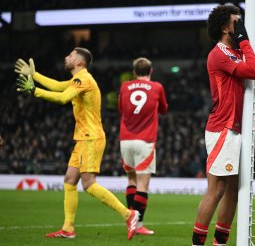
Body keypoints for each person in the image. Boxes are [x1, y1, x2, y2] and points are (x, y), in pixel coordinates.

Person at [14, 48, 139, 240]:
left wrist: (34, 90)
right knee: (70, 180)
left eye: (71, 55)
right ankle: (68, 228)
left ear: (79, 62)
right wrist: (34, 75)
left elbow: (63, 97)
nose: (66, 57)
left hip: (91, 137)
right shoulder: (78, 79)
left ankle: (128, 214)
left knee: (88, 184)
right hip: (83, 137)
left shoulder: (83, 80)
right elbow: (57, 86)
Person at [192, 4, 255, 246]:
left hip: (236, 129)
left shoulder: (238, 51)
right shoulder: (218, 53)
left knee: (232, 192)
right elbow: (253, 71)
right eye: (236, 22)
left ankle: (220, 243)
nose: (240, 26)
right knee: (216, 190)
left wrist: (252, 44)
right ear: (224, 27)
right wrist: (247, 45)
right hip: (222, 128)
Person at [118, 57, 168, 235]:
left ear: (134, 72)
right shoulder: (157, 87)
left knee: (131, 180)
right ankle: (137, 225)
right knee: (142, 185)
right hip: (145, 141)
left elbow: (120, 109)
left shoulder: (124, 87)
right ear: (151, 71)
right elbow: (163, 109)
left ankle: (129, 219)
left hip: (125, 140)